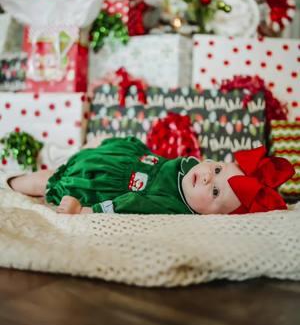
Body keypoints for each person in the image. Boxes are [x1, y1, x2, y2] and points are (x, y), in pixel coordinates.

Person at [4, 136, 295, 215]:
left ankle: (10, 182)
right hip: (126, 159)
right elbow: (162, 161)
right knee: (90, 150)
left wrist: (84, 210)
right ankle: (83, 150)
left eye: (215, 192)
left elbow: (127, 204)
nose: (208, 177)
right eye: (217, 169)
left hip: (102, 180)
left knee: (50, 179)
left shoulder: (170, 203)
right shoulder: (191, 167)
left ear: (212, 217)